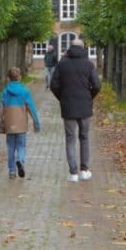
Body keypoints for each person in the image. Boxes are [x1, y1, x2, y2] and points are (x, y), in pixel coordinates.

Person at [49, 38, 101, 182]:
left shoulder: (62, 64)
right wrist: (89, 97)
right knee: (84, 137)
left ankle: (73, 173)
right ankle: (84, 170)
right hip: (85, 107)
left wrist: (62, 98)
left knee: (70, 139)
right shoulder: (89, 64)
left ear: (70, 47)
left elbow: (53, 85)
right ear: (83, 48)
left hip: (68, 107)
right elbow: (97, 85)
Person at [0, 67, 41, 179]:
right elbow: (32, 108)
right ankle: (20, 160)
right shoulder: (25, 91)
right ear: (20, 77)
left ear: (8, 78)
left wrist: (0, 124)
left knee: (10, 147)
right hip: (21, 124)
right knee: (21, 145)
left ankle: (12, 171)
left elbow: (0, 110)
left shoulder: (4, 92)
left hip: (9, 123)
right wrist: (36, 123)